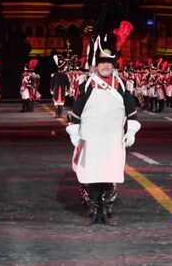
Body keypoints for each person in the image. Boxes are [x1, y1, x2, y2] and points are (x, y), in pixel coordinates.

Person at [66, 23, 140, 226]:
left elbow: (131, 110)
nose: (106, 66)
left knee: (110, 173)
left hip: (113, 139)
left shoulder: (122, 84)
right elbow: (76, 112)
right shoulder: (86, 85)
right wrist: (75, 133)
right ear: (96, 65)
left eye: (109, 62)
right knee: (92, 173)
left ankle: (107, 209)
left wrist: (131, 131)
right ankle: (92, 208)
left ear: (114, 63)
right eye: (102, 62)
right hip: (91, 138)